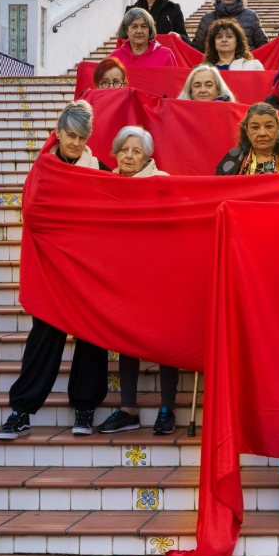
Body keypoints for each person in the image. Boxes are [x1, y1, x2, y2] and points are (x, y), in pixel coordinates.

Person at [0, 101, 110, 441]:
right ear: (58, 133)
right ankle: (22, 410)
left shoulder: (99, 167)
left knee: (92, 334)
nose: (75, 143)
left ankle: (85, 407)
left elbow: (110, 216)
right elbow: (33, 214)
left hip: (88, 266)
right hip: (51, 267)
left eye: (82, 137)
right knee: (45, 335)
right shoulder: (44, 167)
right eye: (70, 135)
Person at [95, 126, 178, 436]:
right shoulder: (106, 183)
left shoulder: (162, 183)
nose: (129, 155)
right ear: (116, 153)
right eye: (124, 150)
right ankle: (128, 409)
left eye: (136, 151)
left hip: (158, 274)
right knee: (126, 338)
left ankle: (166, 407)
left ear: (147, 158)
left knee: (166, 341)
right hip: (121, 275)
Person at [216, 103, 279, 175]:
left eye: (269, 126)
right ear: (247, 131)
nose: (262, 133)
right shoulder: (232, 159)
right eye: (255, 127)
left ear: (278, 129)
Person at [192, 0, 269, 52]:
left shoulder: (251, 16)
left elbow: (263, 46)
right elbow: (196, 49)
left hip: (245, 62)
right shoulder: (207, 19)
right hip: (214, 63)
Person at [110, 8, 178, 68]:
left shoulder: (165, 55)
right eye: (134, 26)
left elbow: (174, 81)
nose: (139, 31)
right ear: (126, 30)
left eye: (144, 26)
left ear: (150, 30)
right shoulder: (115, 57)